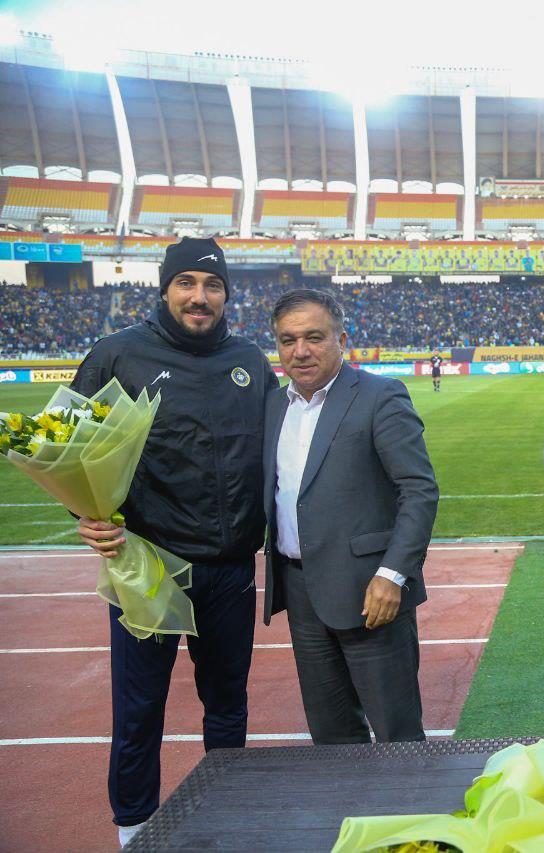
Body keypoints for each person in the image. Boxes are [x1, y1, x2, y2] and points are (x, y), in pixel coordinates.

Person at [72, 237, 275, 847]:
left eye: (212, 286)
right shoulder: (116, 354)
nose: (199, 296)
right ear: (164, 289)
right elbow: (68, 445)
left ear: (226, 296)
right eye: (186, 283)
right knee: (140, 709)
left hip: (230, 568)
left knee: (227, 703)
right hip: (148, 563)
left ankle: (225, 810)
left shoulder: (249, 359)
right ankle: (134, 827)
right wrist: (84, 511)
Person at [263, 289, 439, 744]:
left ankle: (406, 797)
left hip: (371, 592)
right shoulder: (274, 405)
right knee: (331, 735)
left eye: (314, 337)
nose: (300, 351)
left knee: (397, 734)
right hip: (301, 592)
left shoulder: (380, 395)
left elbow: (418, 491)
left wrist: (393, 575)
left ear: (341, 340)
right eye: (288, 340)